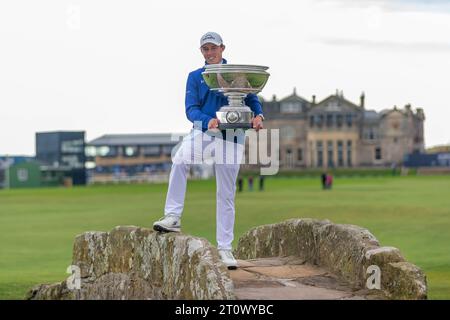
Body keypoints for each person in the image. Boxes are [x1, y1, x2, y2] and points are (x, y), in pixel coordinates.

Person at [153, 32, 264, 269]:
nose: (210, 52)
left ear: (222, 48)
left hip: (232, 136)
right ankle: (172, 216)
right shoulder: (195, 77)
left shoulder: (237, 73)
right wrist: (208, 121)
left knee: (226, 193)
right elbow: (191, 109)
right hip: (204, 131)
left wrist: (258, 116)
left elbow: (252, 100)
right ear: (201, 51)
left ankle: (225, 249)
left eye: (213, 48)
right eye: (205, 49)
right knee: (180, 159)